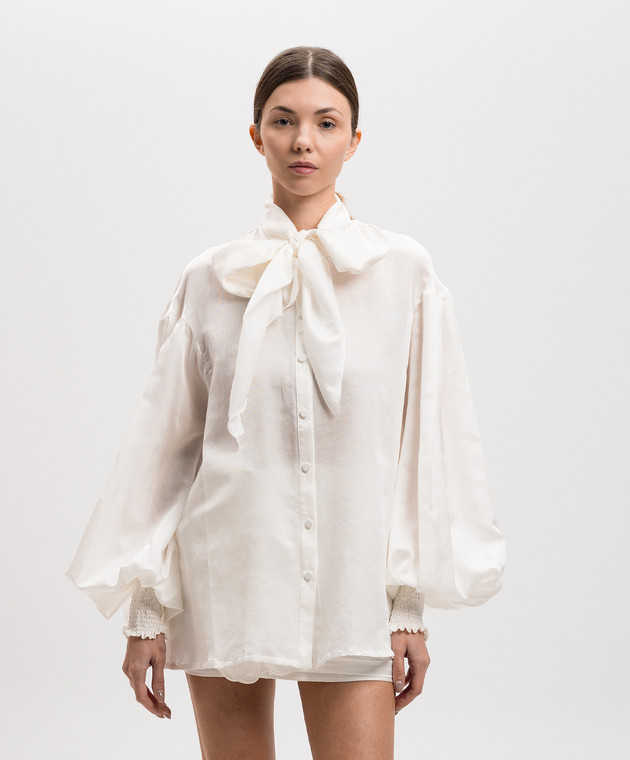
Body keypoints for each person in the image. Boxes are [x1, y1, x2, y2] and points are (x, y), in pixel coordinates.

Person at [65, 46, 507, 760]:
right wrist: (146, 610)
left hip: (352, 592)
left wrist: (408, 603)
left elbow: (427, 444)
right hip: (227, 579)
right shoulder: (209, 279)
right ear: (256, 136)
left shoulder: (404, 274)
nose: (304, 140)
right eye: (283, 120)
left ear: (353, 140)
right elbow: (165, 452)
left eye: (326, 123)